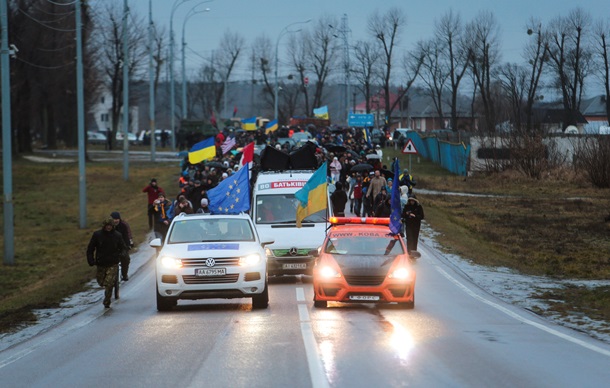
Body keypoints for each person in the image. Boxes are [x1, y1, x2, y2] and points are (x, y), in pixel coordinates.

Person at [86, 218, 128, 308]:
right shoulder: (97, 235)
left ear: (112, 226)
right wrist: (91, 260)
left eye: (110, 226)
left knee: (109, 283)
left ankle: (107, 301)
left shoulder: (117, 235)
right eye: (107, 226)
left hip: (113, 263)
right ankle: (107, 290)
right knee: (101, 282)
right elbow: (90, 249)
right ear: (104, 226)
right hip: (101, 263)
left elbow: (123, 248)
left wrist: (121, 255)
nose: (108, 227)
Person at [110, 211, 134, 281]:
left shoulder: (124, 225)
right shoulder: (108, 225)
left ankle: (124, 274)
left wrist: (130, 243)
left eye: (117, 219)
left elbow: (128, 234)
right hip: (111, 245)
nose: (116, 220)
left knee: (126, 259)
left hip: (123, 245)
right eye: (114, 219)